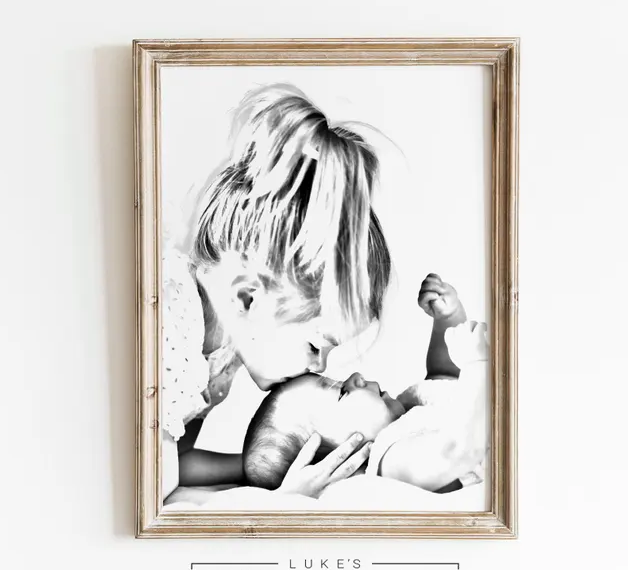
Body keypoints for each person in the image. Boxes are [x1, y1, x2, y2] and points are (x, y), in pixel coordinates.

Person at [161, 83, 391, 502]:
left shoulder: (224, 350)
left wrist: (278, 471)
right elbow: (150, 488)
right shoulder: (170, 332)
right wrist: (276, 505)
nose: (320, 366)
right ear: (248, 298)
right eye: (316, 345)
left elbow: (174, 462)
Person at [243, 274, 488, 496]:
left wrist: (447, 319)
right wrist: (477, 363)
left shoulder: (407, 407)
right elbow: (459, 450)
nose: (355, 377)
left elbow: (444, 376)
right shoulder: (390, 460)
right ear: (338, 461)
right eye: (341, 392)